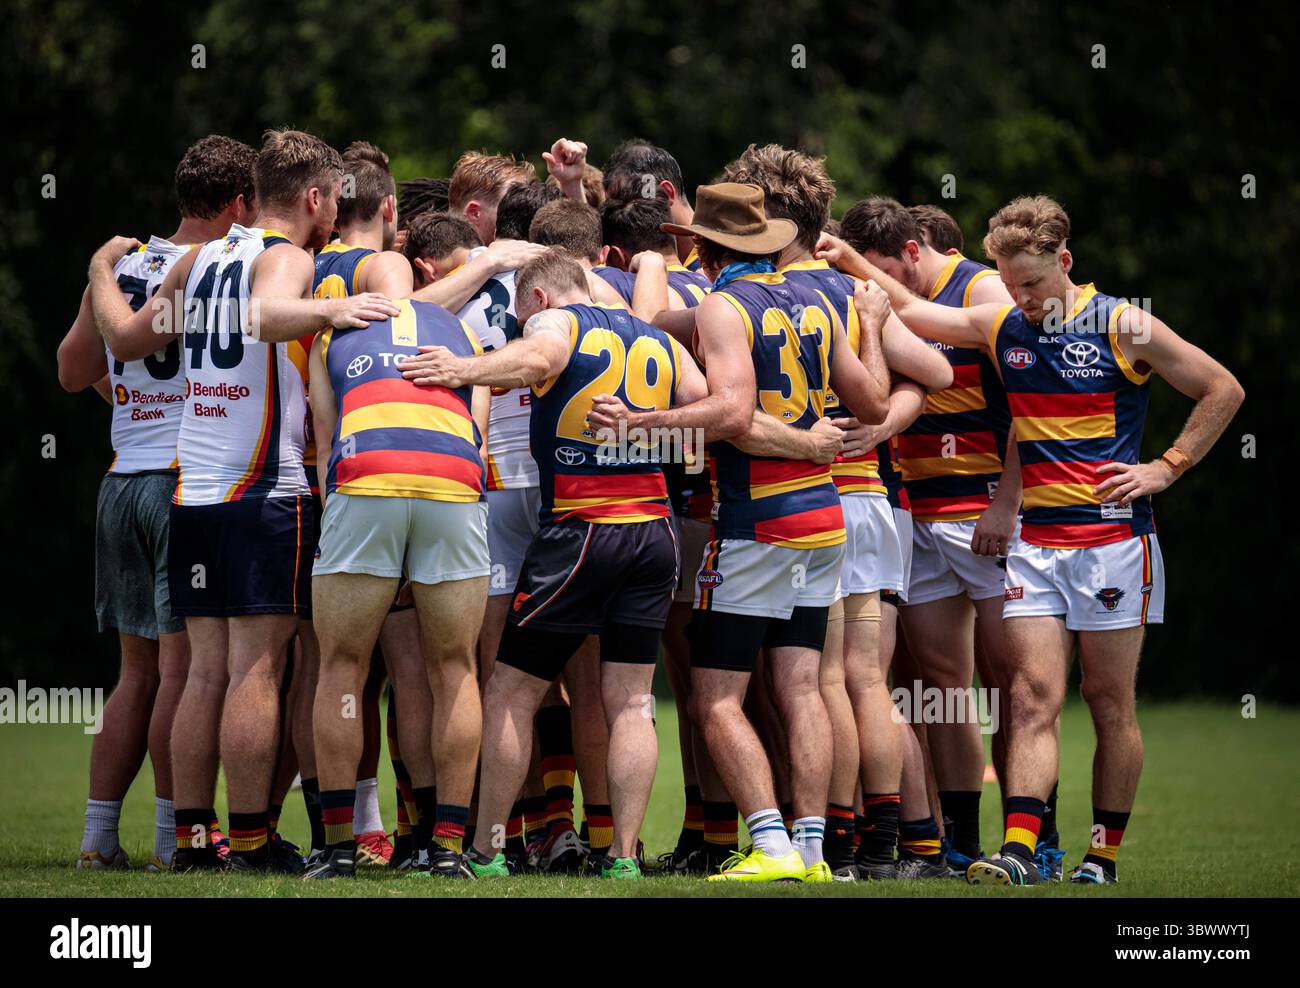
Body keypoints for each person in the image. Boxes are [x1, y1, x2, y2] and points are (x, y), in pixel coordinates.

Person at [817, 195, 1243, 886]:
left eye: (1034, 282)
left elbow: (1221, 388)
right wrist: (848, 258)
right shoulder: (1002, 324)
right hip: (1036, 546)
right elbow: (916, 312)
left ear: (1065, 262)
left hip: (1111, 543)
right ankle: (1019, 850)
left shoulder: (1122, 323)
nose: (1023, 297)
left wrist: (1166, 467)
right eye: (1010, 283)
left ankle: (1100, 856)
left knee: (1108, 702)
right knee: (1029, 696)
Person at [89, 128, 399, 872]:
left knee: (205, 671)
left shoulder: (196, 259)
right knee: (258, 670)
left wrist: (101, 268)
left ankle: (194, 839)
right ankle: (255, 837)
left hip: (191, 489)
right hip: (264, 490)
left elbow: (127, 339)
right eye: (331, 201)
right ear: (315, 198)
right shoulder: (287, 257)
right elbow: (263, 317)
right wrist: (336, 311)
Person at [59, 134, 257, 871]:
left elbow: (73, 370)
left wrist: (132, 403)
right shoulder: (219, 265)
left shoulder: (121, 267)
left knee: (135, 673)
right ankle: (177, 840)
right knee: (185, 673)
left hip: (121, 480)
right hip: (183, 480)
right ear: (239, 204)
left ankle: (97, 838)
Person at [840, 195, 1023, 876]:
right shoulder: (890, 298)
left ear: (912, 251)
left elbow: (1033, 406)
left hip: (991, 513)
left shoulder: (981, 288)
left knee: (1016, 686)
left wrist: (1007, 502)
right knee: (944, 685)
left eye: (890, 270)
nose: (884, 286)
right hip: (918, 513)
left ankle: (1033, 839)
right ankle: (962, 848)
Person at [304, 296, 489, 879]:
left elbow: (328, 441)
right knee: (455, 668)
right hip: (453, 485)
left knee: (340, 666)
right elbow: (477, 442)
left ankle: (337, 851)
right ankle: (448, 850)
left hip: (367, 478)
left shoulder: (333, 331)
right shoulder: (463, 330)